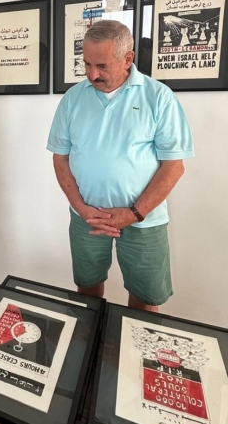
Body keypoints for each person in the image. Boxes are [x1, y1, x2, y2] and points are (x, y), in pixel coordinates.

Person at [47, 20, 194, 312]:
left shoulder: (158, 97)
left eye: (102, 66)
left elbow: (174, 166)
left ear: (128, 59)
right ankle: (89, 338)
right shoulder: (73, 99)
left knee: (145, 300)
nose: (92, 74)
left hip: (144, 220)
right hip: (87, 217)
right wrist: (81, 207)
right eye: (87, 64)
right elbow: (60, 158)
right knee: (87, 289)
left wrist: (133, 213)